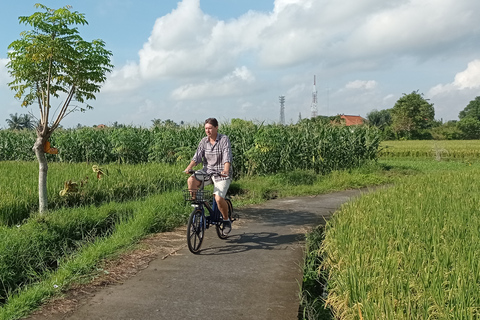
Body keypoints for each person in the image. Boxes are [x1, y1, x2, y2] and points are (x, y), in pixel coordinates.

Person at [184, 118, 233, 234]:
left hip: (221, 173)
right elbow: (197, 157)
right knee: (191, 180)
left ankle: (226, 220)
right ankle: (198, 209)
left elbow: (227, 156)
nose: (208, 131)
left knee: (218, 198)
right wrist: (189, 167)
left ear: (216, 128)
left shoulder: (224, 139)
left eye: (210, 128)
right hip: (208, 171)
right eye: (206, 128)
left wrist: (226, 170)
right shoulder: (204, 141)